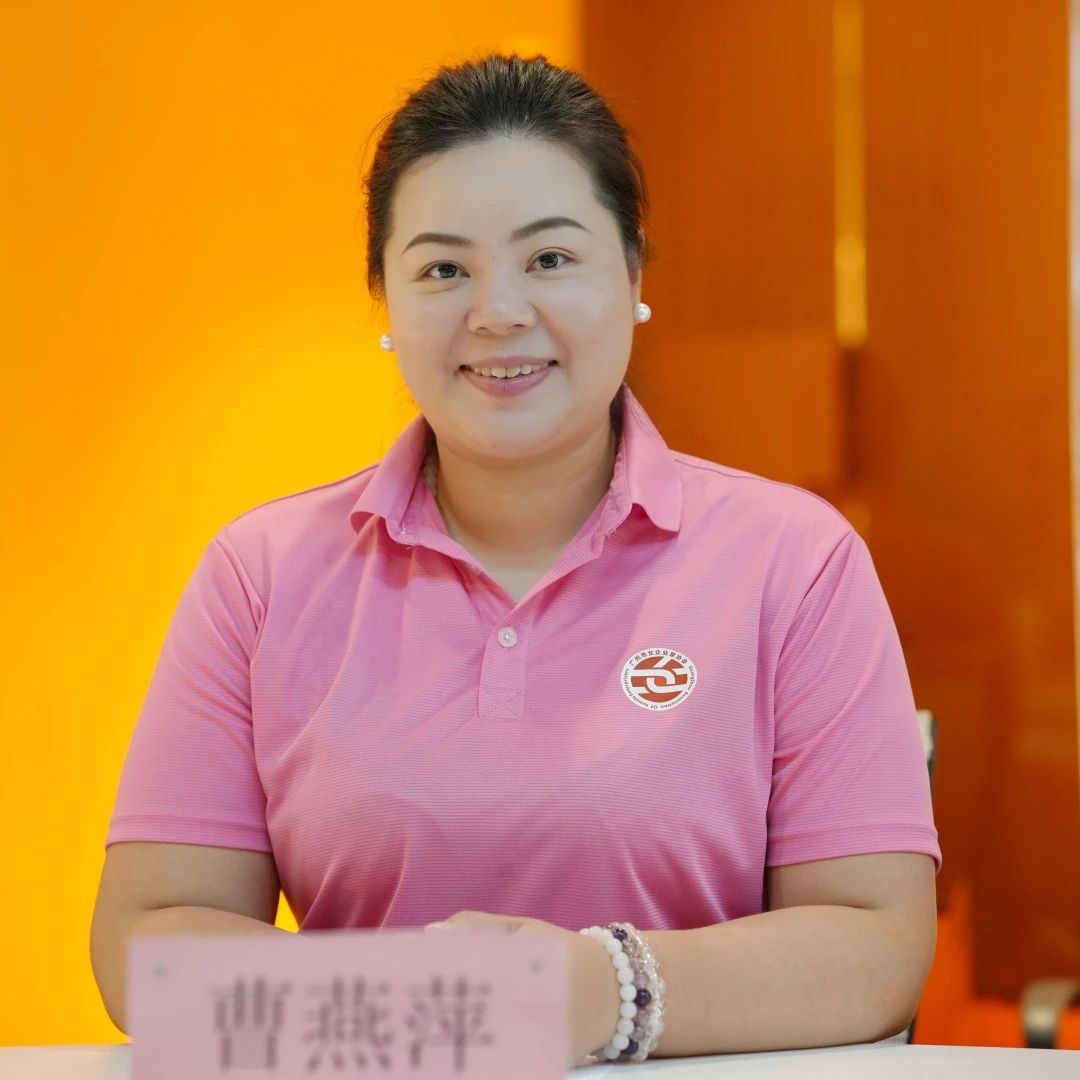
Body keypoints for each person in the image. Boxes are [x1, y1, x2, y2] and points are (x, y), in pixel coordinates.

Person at [90, 52, 941, 1068]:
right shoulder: (261, 574)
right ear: (385, 302)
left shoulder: (794, 561)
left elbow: (877, 944)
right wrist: (442, 1008)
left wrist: (596, 993)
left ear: (634, 278)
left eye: (549, 258)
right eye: (443, 269)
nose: (497, 312)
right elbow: (147, 944)